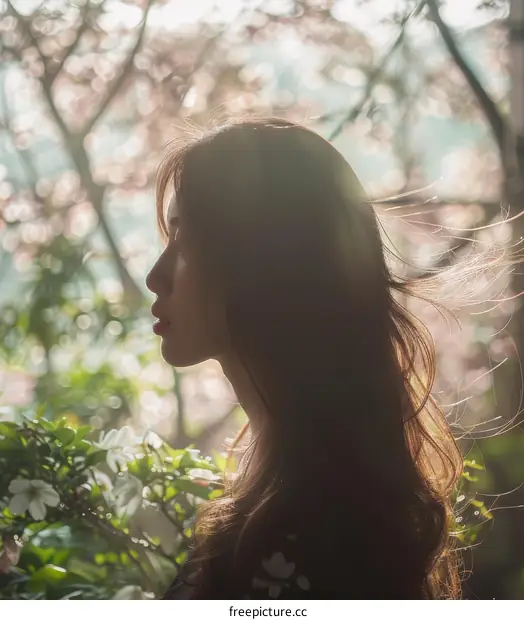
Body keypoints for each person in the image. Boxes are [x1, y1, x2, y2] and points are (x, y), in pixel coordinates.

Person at [145, 118, 462, 599]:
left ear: (263, 263)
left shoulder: (294, 541)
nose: (155, 275)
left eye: (185, 240)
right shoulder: (320, 498)